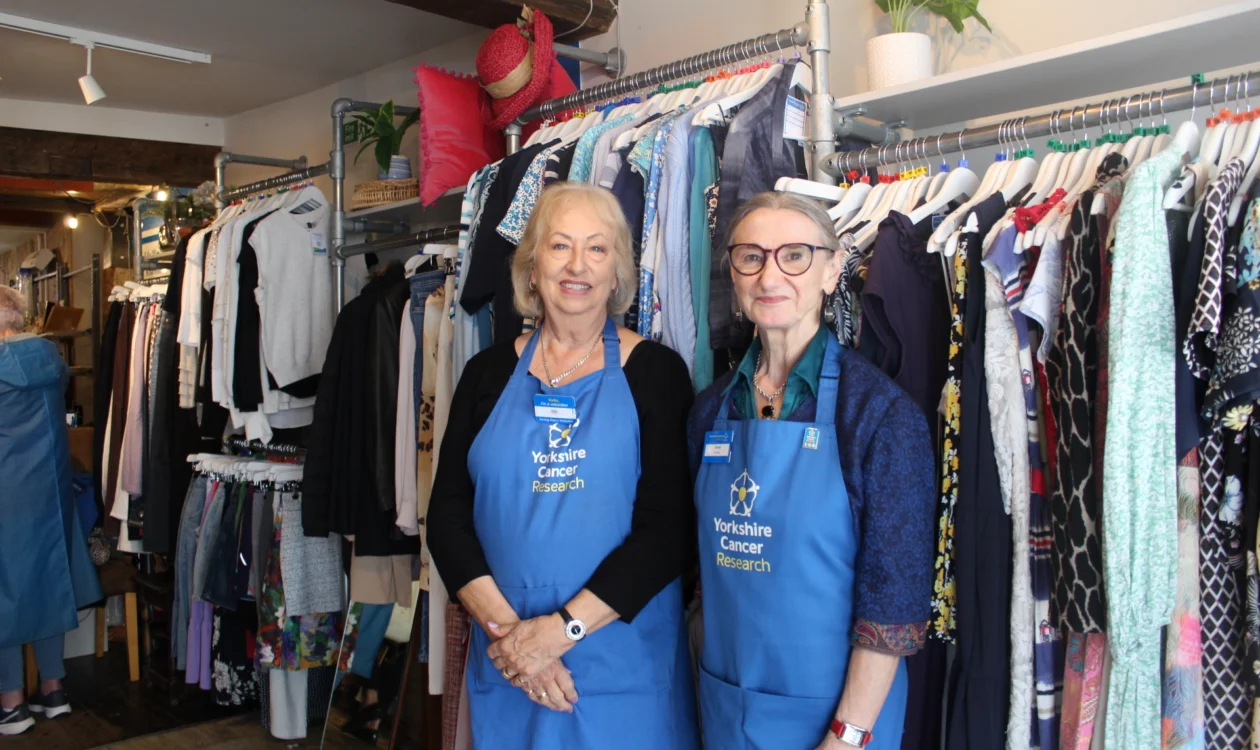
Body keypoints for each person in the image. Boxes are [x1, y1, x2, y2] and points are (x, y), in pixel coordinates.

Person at [428, 182, 698, 749]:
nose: (577, 266)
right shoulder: (483, 376)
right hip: (508, 663)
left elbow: (668, 532)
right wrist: (516, 643)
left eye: (597, 249)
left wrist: (560, 631)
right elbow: (448, 517)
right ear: (532, 266)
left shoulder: (656, 374)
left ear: (617, 272)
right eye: (560, 247)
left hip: (616, 665)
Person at [687, 192, 935, 750]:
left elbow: (892, 610)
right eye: (751, 256)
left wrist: (846, 737)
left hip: (840, 719)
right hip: (730, 707)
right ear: (734, 271)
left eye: (794, 255)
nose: (770, 274)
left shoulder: (880, 416)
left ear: (830, 270)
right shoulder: (709, 412)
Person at [0, 286, 102, 735]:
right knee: (47, 581)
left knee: (6, 591)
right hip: (50, 490)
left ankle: (11, 704)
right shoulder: (52, 359)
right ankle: (54, 690)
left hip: (6, 493)